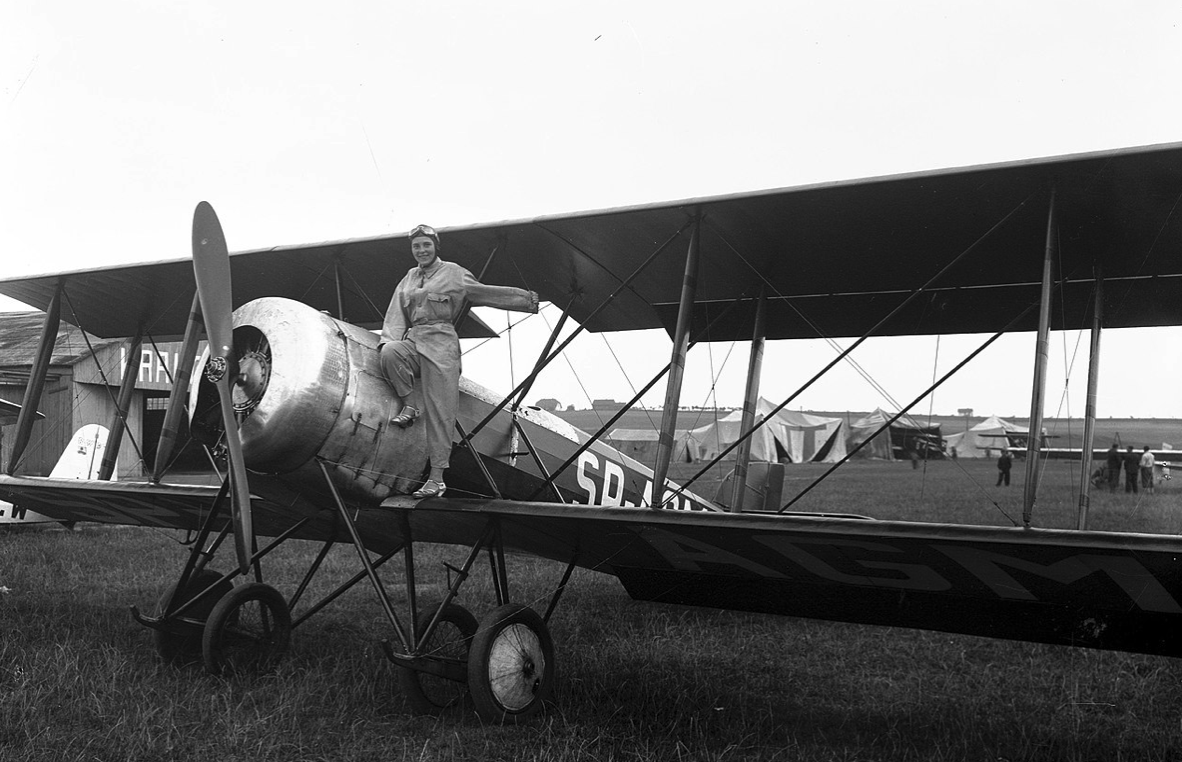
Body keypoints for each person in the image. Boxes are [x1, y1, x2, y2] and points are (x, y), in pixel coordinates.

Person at [379, 224, 539, 498]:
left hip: (442, 346)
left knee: (441, 412)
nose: (421, 251)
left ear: (435, 246)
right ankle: (410, 406)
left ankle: (437, 479)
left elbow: (483, 292)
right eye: (416, 246)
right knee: (390, 352)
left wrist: (526, 300)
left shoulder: (454, 273)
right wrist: (388, 339)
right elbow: (396, 313)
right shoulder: (409, 277)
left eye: (426, 245)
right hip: (415, 340)